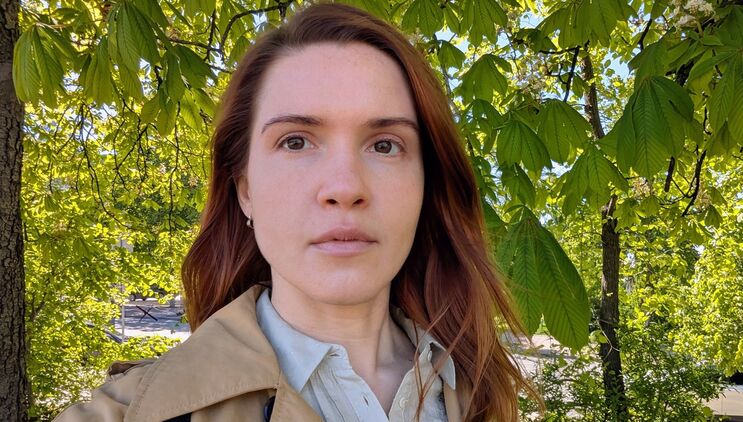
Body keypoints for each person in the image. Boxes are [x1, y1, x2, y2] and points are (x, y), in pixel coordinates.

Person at [55, 3, 537, 421]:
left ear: (426, 185)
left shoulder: (481, 391)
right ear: (244, 189)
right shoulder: (132, 411)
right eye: (296, 142)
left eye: (385, 145)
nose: (345, 188)